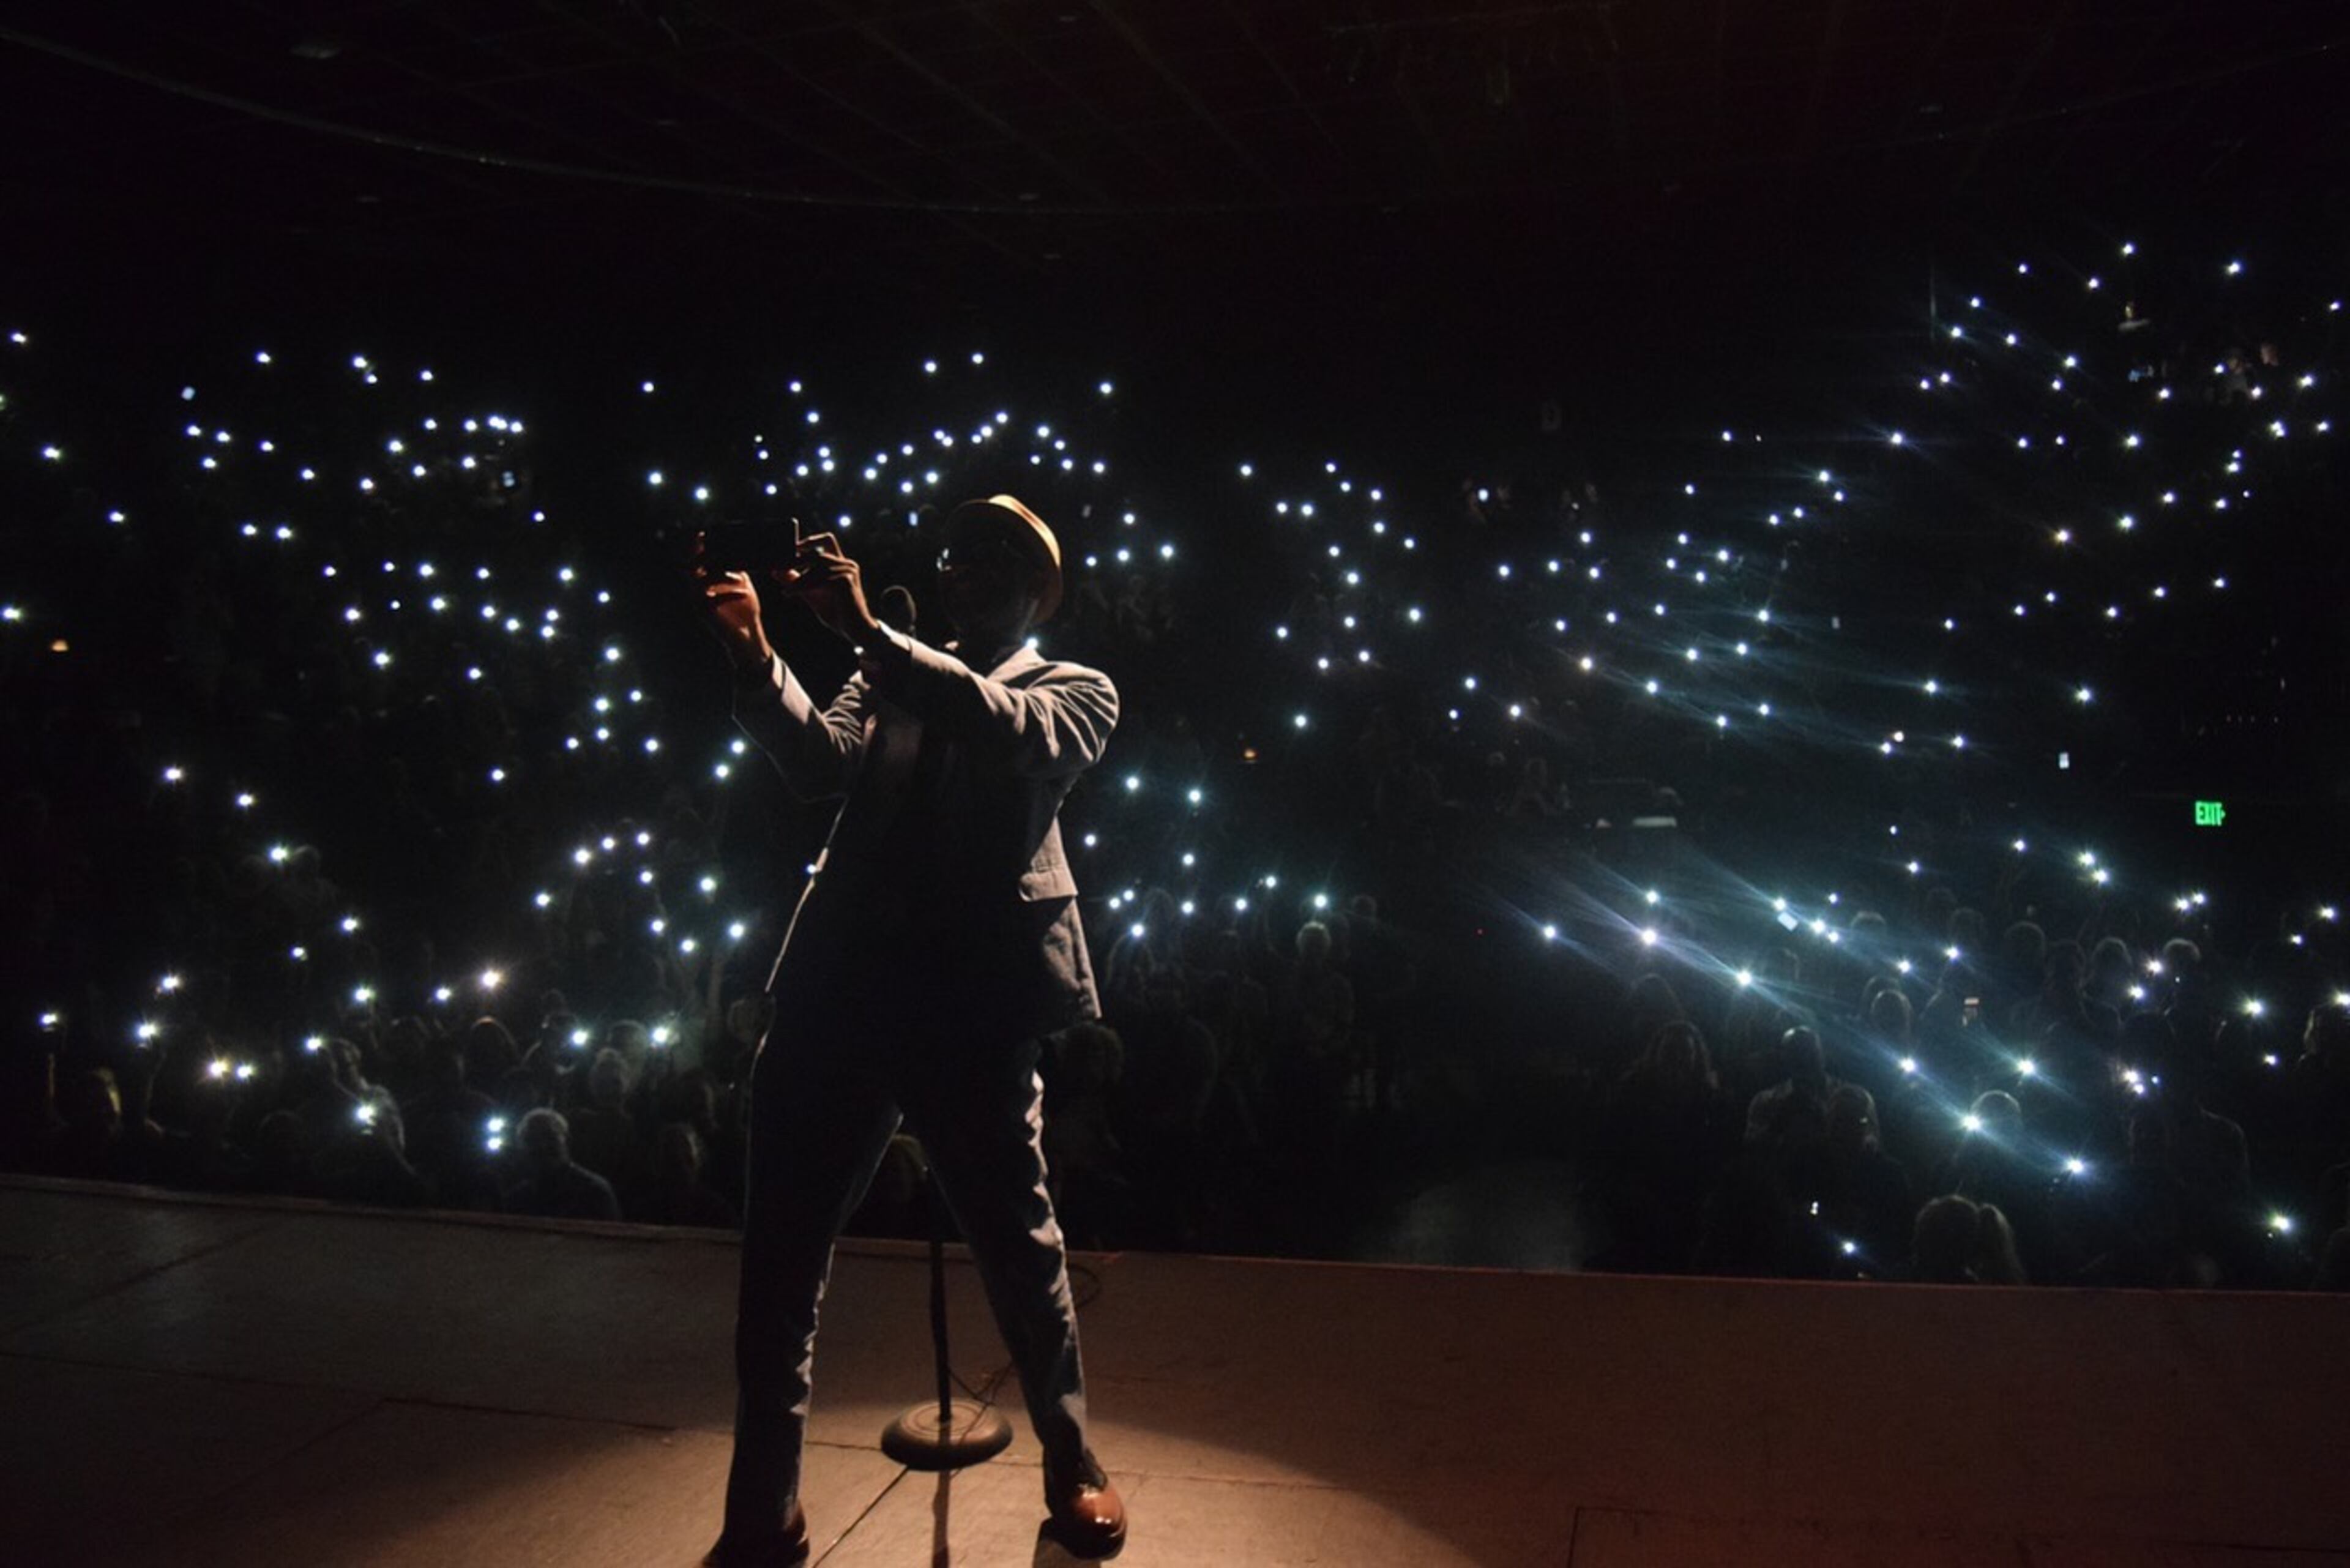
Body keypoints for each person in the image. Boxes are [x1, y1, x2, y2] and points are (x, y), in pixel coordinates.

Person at [695, 495, 1125, 1565]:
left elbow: (1000, 727)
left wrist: (867, 636)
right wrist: (758, 657)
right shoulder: (886, 667)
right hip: (841, 991)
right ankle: (764, 1502)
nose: (962, 571)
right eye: (955, 555)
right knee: (780, 1255)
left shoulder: (1075, 689)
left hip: (968, 1010)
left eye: (992, 558)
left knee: (1020, 1253)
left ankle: (1071, 1457)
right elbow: (820, 764)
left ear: (1040, 589)